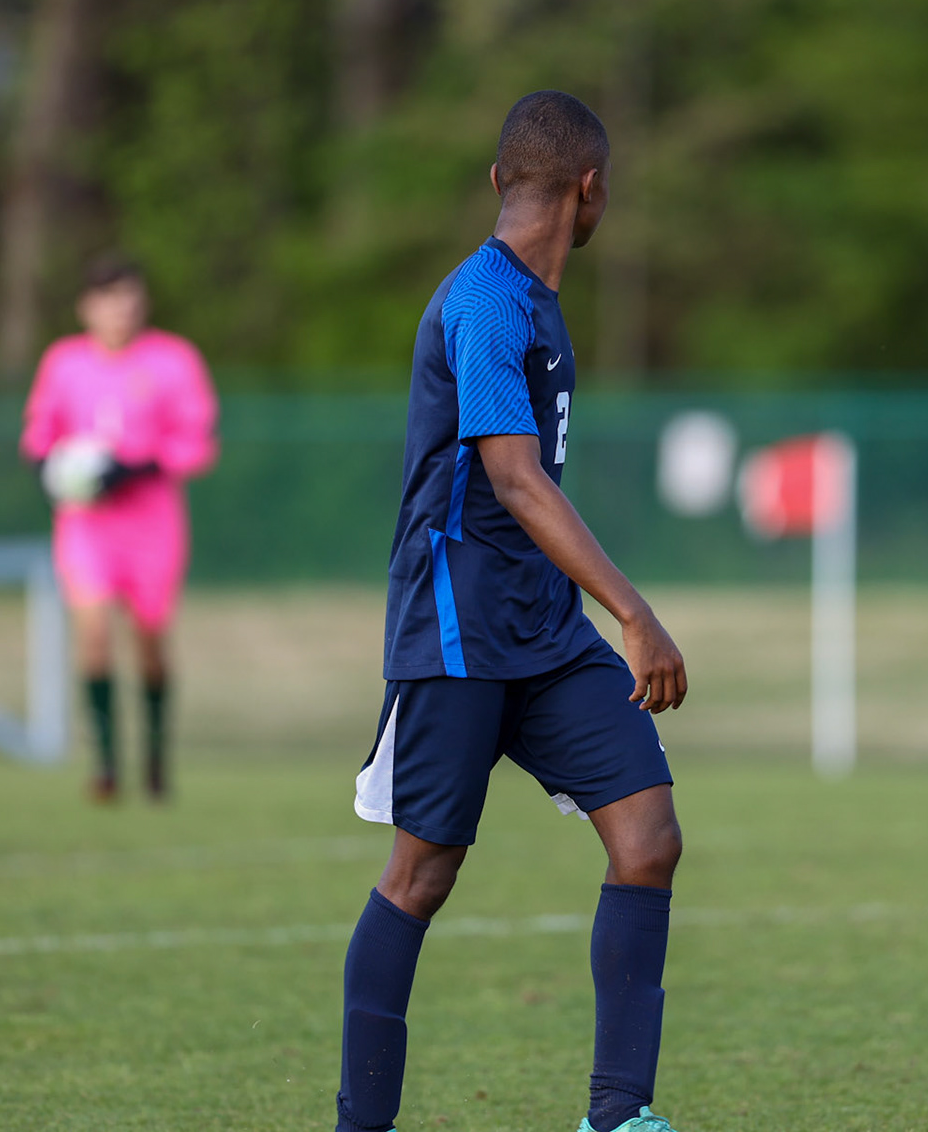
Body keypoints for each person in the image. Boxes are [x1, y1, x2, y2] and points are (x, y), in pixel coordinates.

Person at [335, 91, 690, 1132]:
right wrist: (635, 611)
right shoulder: (485, 302)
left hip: (541, 630)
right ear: (594, 193)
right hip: (456, 630)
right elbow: (517, 480)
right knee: (421, 871)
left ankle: (617, 1115)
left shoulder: (536, 299)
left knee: (649, 837)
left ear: (500, 182)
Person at [20, 258, 218, 802]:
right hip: (87, 525)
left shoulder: (174, 360)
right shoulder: (63, 362)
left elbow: (197, 440)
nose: (121, 311)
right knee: (93, 636)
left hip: (152, 523)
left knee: (149, 641)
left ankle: (155, 758)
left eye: (130, 299)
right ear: (88, 306)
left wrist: (134, 467)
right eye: (109, 299)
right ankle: (106, 766)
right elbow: (40, 435)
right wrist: (51, 470)